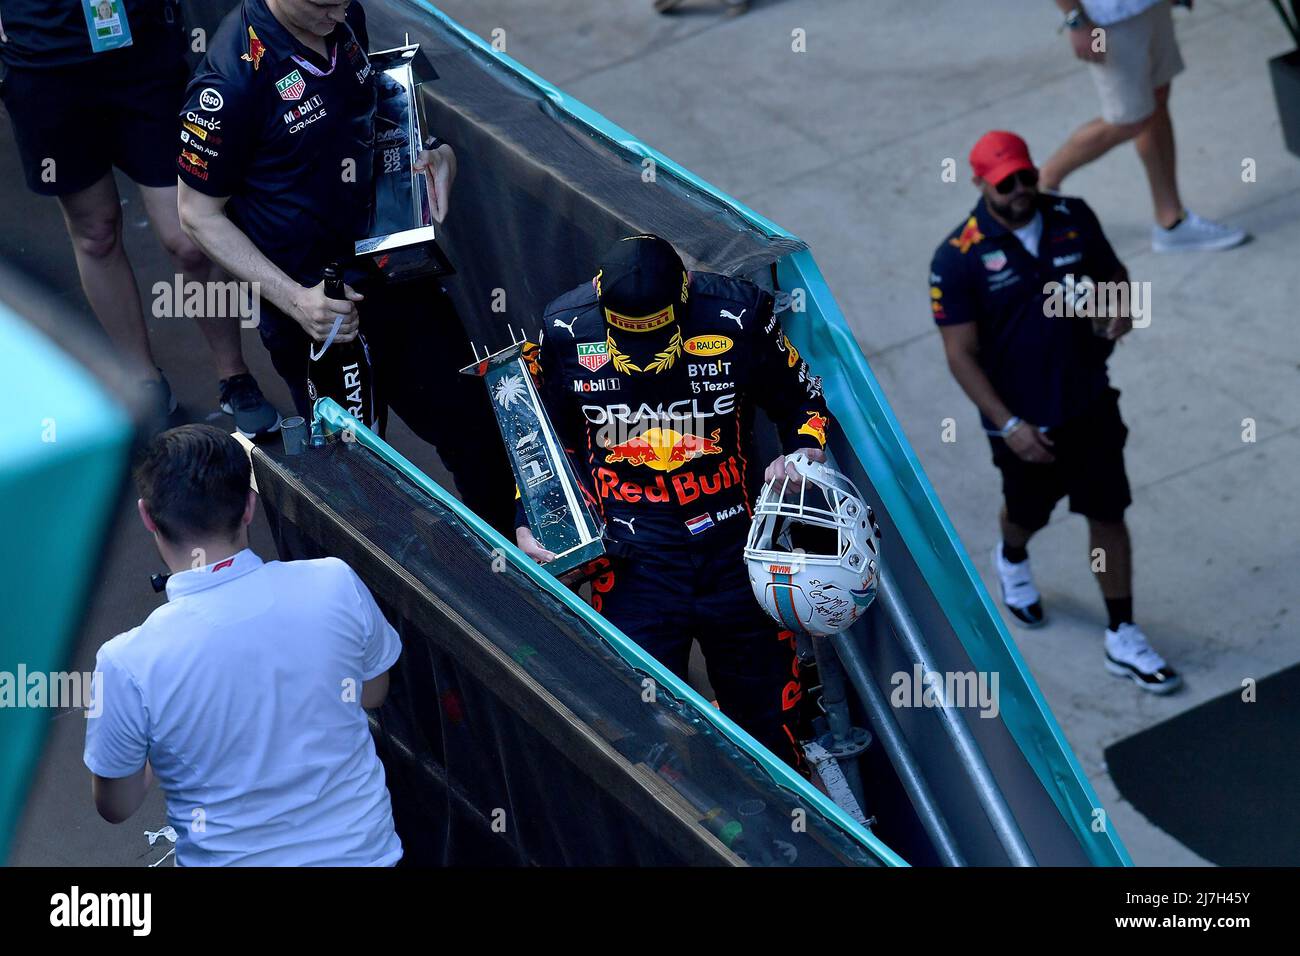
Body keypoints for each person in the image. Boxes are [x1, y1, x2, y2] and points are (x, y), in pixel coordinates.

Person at [175, 0, 515, 534]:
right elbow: (196, 216)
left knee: (472, 427)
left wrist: (434, 156)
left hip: (392, 269)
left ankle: (515, 574)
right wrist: (295, 300)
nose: (337, 14)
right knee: (357, 476)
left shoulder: (339, 15)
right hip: (317, 304)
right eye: (321, 6)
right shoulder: (229, 80)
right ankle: (372, 604)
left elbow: (369, 115)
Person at [515, 234, 832, 766]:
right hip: (632, 559)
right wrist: (534, 520)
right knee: (639, 731)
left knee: (770, 729)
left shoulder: (739, 313)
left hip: (739, 550)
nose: (644, 363)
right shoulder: (564, 328)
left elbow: (804, 402)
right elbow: (544, 440)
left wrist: (803, 456)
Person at [929, 130, 1180, 694]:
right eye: (1005, 183)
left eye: (1025, 175)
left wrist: (1121, 311)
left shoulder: (1072, 215)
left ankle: (1122, 633)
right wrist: (1010, 425)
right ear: (979, 184)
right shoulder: (958, 258)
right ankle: (1012, 556)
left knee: (1107, 512)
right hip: (1024, 421)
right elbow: (960, 356)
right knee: (1029, 512)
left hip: (1089, 401)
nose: (1020, 190)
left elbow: (1114, 278)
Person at [84, 424, 403, 865]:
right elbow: (373, 691)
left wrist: (162, 743)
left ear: (147, 517)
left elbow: (116, 805)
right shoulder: (335, 582)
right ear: (249, 505)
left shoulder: (124, 662)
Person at [0, 0, 280, 435]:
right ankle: (144, 380)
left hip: (140, 49)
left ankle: (234, 375)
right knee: (96, 233)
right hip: (44, 61)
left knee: (190, 237)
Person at [1041, 0, 1246, 253]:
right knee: (1128, 119)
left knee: (1157, 99)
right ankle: (1043, 181)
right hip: (1104, 21)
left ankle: (1171, 222)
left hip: (1151, 6)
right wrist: (1074, 19)